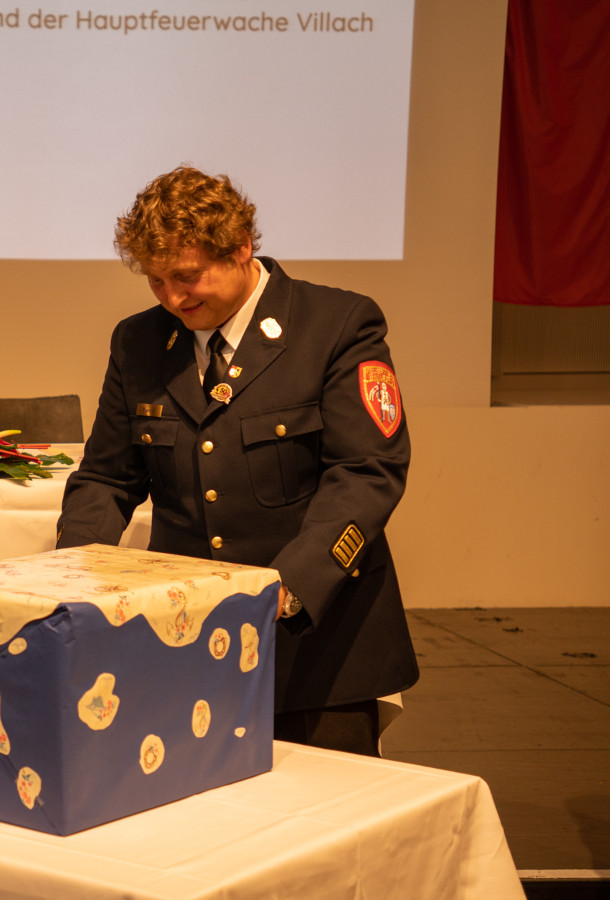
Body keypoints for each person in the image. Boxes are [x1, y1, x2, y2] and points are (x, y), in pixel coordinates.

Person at [57, 166, 418, 755]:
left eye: (187, 276)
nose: (173, 298)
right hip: (187, 642)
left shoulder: (336, 325)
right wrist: (68, 576)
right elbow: (106, 479)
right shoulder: (139, 342)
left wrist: (287, 587)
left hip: (316, 645)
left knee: (326, 808)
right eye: (155, 281)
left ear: (241, 247)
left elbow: (366, 472)